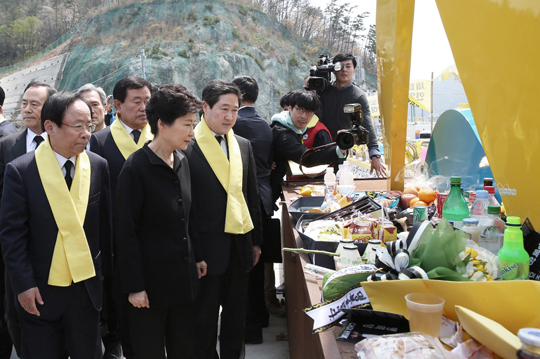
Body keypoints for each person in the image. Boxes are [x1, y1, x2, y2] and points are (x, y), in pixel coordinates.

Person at [0, 91, 113, 359]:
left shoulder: (98, 166)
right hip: (39, 291)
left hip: (85, 290)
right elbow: (13, 236)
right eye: (77, 126)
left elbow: (104, 229)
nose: (86, 133)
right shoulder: (21, 171)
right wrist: (23, 285)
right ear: (49, 127)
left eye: (89, 125)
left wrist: (104, 276)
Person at [116, 84, 207, 359]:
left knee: (184, 348)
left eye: (194, 124)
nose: (192, 132)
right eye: (187, 125)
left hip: (182, 282)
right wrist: (135, 287)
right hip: (149, 289)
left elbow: (189, 215)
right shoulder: (136, 168)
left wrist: (198, 257)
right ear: (162, 125)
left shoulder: (181, 159)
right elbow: (125, 233)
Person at [183, 79, 263, 359]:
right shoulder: (187, 147)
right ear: (205, 107)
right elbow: (184, 209)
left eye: (235, 110)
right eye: (224, 109)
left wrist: (256, 242)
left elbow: (251, 197)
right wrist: (193, 253)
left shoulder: (243, 145)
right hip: (205, 249)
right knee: (202, 320)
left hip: (240, 245)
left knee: (235, 318)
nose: (230, 116)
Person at [89, 76, 153, 359]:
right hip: (118, 243)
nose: (144, 108)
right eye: (136, 101)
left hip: (156, 240)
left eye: (148, 101)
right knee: (119, 310)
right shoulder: (99, 141)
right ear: (116, 105)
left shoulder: (161, 136)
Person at [0, 81, 57, 359]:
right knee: (15, 313)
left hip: (56, 248)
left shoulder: (65, 145)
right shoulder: (7, 145)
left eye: (34, 104)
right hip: (17, 249)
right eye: (24, 103)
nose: (26, 109)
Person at [231, 76, 284, 345]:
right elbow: (274, 163)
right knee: (259, 264)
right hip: (263, 200)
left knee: (243, 269)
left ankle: (248, 326)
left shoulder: (231, 124)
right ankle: (260, 316)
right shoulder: (266, 125)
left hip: (240, 202)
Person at [314, 53, 386, 177]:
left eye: (348, 66)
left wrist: (374, 154)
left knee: (335, 184)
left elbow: (367, 125)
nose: (344, 70)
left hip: (341, 147)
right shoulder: (323, 91)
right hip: (317, 146)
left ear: (354, 70)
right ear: (333, 70)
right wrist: (312, 91)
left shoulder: (358, 96)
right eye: (340, 66)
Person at [270, 90, 347, 203]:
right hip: (263, 190)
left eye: (309, 112)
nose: (304, 116)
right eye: (300, 110)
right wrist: (339, 150)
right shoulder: (283, 134)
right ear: (290, 108)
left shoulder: (289, 127)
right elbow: (305, 157)